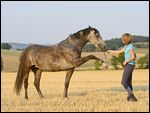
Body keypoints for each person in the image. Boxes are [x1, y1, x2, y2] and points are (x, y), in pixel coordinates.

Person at [107, 33, 137, 102]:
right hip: (129, 65)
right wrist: (110, 51)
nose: (122, 40)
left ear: (125, 39)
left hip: (129, 65)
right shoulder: (127, 46)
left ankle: (132, 95)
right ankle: (130, 97)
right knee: (128, 82)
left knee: (123, 82)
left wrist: (125, 61)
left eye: (122, 39)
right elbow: (119, 51)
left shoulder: (130, 47)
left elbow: (132, 57)